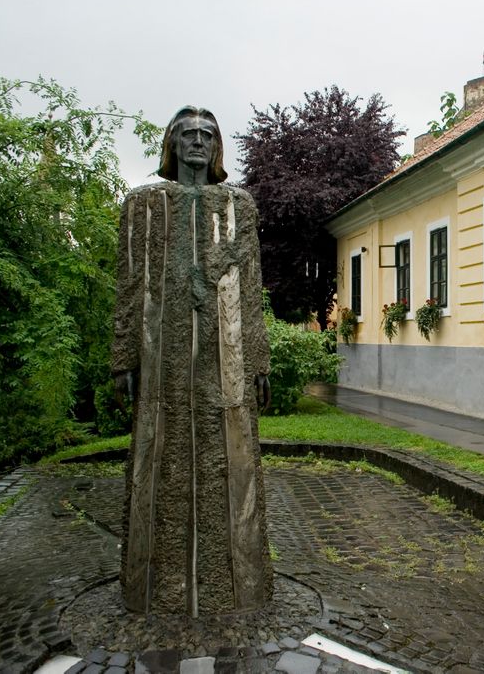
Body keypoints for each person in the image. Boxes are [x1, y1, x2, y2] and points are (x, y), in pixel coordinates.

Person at [112, 106, 272, 615]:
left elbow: (251, 288)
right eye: (188, 135)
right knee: (162, 457)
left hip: (224, 358)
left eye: (207, 135)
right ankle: (156, 584)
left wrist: (259, 358)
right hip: (163, 359)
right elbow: (130, 281)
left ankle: (238, 582)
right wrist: (123, 356)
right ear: (173, 144)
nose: (198, 142)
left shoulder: (238, 206)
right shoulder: (144, 205)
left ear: (216, 146)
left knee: (230, 457)